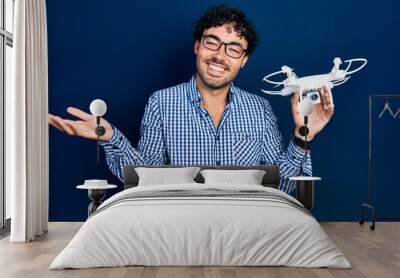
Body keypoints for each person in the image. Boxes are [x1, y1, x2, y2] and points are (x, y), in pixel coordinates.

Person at [48, 4, 334, 193]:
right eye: (213, 42)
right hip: (179, 217)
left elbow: (279, 186)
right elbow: (146, 178)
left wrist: (301, 136)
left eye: (234, 49)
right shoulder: (161, 102)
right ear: (198, 46)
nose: (220, 55)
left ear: (243, 61)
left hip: (245, 219)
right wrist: (109, 137)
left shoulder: (260, 108)